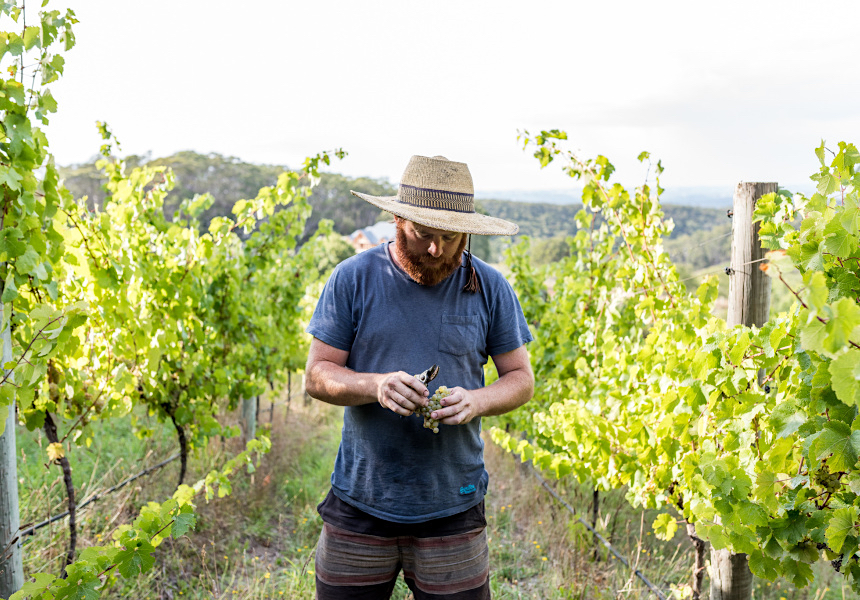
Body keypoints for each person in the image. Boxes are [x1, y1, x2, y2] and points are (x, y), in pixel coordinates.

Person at [305, 154, 535, 600]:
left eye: (450, 238)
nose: (436, 250)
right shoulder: (353, 279)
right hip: (361, 499)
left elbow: (521, 378)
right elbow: (317, 376)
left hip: (453, 502)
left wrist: (478, 400)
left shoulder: (489, 286)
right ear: (397, 219)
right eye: (423, 235)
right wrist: (376, 385)